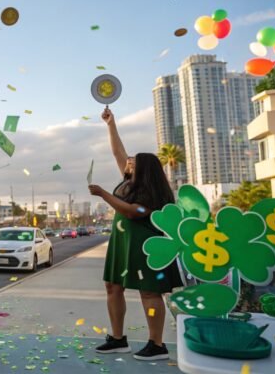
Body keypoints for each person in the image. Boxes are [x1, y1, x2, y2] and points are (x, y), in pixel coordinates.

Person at [88, 107, 183, 361]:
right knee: (112, 286)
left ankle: (157, 343)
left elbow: (133, 211)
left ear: (145, 171)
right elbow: (117, 151)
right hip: (122, 242)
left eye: (133, 162)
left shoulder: (151, 193)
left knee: (150, 292)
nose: (127, 162)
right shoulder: (128, 182)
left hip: (145, 245)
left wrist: (103, 194)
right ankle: (118, 339)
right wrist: (111, 124)